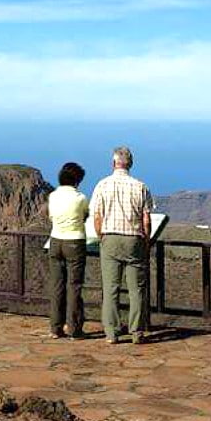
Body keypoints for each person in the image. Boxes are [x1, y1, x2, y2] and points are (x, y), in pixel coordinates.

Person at [90, 146, 153, 345]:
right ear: (131, 164)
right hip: (133, 239)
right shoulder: (141, 186)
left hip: (110, 239)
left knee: (110, 288)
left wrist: (102, 236)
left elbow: (97, 216)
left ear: (113, 163)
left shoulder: (102, 185)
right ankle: (136, 332)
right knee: (137, 289)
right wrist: (146, 240)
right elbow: (146, 219)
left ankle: (112, 332)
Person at [47, 161, 89, 339]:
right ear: (77, 180)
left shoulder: (52, 196)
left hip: (55, 241)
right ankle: (74, 329)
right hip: (74, 242)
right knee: (74, 286)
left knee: (57, 286)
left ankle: (55, 328)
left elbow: (50, 216)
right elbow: (85, 215)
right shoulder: (80, 198)